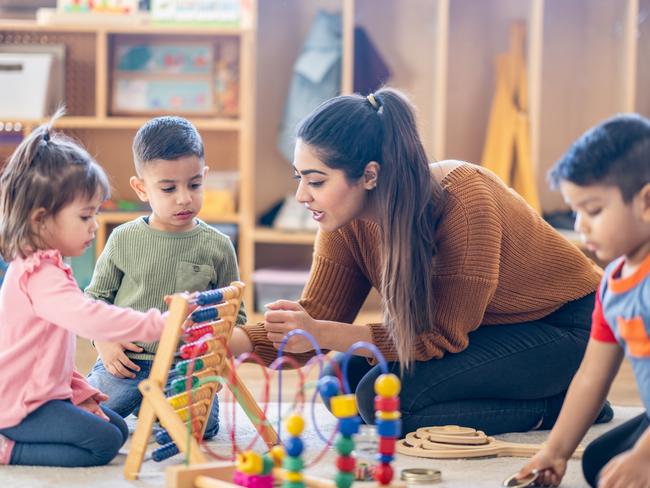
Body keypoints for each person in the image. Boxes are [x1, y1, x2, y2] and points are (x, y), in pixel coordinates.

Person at [229, 87, 611, 435]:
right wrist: (232, 342)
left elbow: (439, 336)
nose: (300, 196)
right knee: (341, 383)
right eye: (299, 178)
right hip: (488, 328)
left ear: (369, 175)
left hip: (570, 327)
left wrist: (323, 333)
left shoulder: (464, 202)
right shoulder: (344, 221)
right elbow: (315, 318)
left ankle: (566, 406)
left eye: (315, 181)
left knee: (386, 405)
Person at [0, 112, 167, 467]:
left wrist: (80, 391)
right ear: (41, 219)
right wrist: (158, 325)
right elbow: (91, 320)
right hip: (21, 403)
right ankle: (8, 448)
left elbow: (48, 352)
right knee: (104, 443)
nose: (94, 226)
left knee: (118, 429)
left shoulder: (48, 265)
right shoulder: (39, 275)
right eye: (85, 216)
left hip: (43, 393)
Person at [86, 116, 245, 440]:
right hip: (126, 362)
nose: (184, 198)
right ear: (141, 188)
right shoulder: (122, 238)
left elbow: (236, 316)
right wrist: (104, 341)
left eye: (194, 184)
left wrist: (209, 352)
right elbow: (93, 300)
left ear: (205, 177)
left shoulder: (219, 245)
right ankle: (145, 404)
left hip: (185, 368)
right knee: (87, 419)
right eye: (169, 188)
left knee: (199, 430)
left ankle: (153, 408)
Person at [516, 114, 650, 487]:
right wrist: (555, 450)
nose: (580, 226)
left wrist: (645, 456)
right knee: (600, 463)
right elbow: (592, 376)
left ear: (647, 202)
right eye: (575, 211)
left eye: (593, 211)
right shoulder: (613, 284)